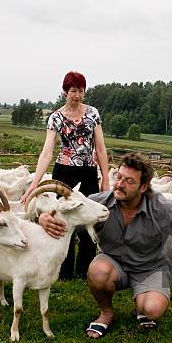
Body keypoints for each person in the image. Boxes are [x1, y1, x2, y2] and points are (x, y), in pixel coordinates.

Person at [38, 152, 172, 338]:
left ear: (143, 187)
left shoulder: (161, 208)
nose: (120, 184)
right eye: (119, 177)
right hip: (113, 263)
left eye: (129, 181)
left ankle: (142, 303)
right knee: (97, 271)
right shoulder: (99, 202)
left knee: (152, 309)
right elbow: (65, 215)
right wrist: (44, 218)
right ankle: (106, 312)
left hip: (149, 267)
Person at [20, 71, 110, 280]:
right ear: (65, 92)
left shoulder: (93, 114)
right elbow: (47, 152)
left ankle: (85, 268)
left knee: (89, 216)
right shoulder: (56, 117)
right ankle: (64, 269)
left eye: (81, 91)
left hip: (88, 171)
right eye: (73, 91)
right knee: (62, 219)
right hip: (64, 172)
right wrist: (34, 184)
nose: (77, 95)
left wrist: (105, 178)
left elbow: (101, 148)